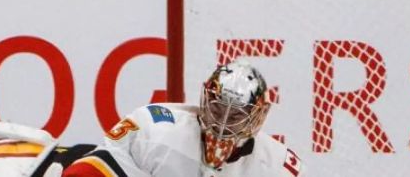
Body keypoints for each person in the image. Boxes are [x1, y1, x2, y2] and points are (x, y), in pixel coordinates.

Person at [62, 60, 305, 177]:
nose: (223, 123)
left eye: (237, 115)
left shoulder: (276, 167)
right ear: (206, 99)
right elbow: (84, 173)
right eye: (219, 108)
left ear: (258, 115)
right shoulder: (155, 130)